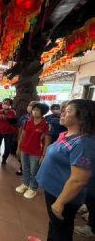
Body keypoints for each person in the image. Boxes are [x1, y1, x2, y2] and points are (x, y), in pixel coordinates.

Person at [36, 99, 95, 241]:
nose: (62, 113)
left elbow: (78, 180)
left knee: (61, 231)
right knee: (55, 225)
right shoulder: (67, 135)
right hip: (53, 190)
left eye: (68, 111)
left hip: (63, 195)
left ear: (81, 117)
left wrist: (60, 202)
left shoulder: (83, 143)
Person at [16, 103, 50, 199]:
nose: (34, 111)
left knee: (34, 171)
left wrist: (44, 155)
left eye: (37, 110)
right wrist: (19, 147)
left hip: (36, 152)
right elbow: (23, 135)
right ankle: (25, 184)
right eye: (33, 109)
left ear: (42, 112)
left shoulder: (46, 124)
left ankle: (33, 188)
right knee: (25, 168)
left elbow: (47, 142)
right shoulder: (27, 122)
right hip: (25, 149)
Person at [15, 100, 37, 176]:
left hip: (33, 141)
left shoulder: (40, 119)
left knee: (30, 156)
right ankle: (22, 167)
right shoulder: (24, 117)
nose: (30, 107)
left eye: (33, 106)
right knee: (20, 154)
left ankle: (27, 169)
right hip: (23, 139)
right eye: (30, 105)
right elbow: (20, 128)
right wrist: (18, 138)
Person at [0, 98, 17, 164]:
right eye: (4, 103)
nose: (4, 104)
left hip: (9, 132)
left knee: (7, 146)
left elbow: (14, 122)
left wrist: (6, 117)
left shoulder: (12, 112)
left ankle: (4, 159)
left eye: (7, 103)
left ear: (10, 104)